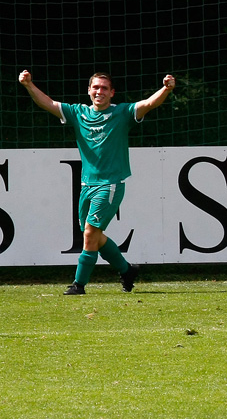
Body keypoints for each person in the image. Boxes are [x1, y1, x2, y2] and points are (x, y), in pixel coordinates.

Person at [18, 70, 175, 295]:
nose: (99, 91)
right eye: (95, 87)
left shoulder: (122, 113)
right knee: (93, 235)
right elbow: (49, 103)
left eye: (104, 88)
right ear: (89, 91)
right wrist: (29, 85)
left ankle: (78, 284)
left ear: (112, 93)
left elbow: (148, 103)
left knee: (91, 233)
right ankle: (126, 269)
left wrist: (167, 89)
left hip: (110, 183)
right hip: (86, 184)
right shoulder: (78, 112)